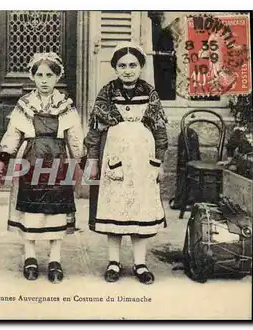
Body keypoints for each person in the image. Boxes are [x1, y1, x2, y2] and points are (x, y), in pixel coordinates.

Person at [84, 42, 168, 285]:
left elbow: (160, 131)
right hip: (114, 160)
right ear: (115, 68)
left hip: (143, 161)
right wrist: (93, 160)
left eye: (133, 65)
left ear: (141, 67)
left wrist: (159, 162)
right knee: (114, 211)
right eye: (122, 65)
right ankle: (113, 261)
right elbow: (95, 131)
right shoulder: (107, 93)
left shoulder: (150, 93)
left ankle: (140, 264)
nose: (128, 70)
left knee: (140, 211)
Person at [0, 52, 85, 283]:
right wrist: (4, 157)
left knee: (56, 210)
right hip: (30, 160)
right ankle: (30, 257)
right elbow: (13, 133)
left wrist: (82, 160)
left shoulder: (65, 105)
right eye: (39, 75)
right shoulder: (25, 104)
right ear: (33, 77)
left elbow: (75, 138)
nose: (44, 80)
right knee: (30, 211)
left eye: (49, 75)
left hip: (58, 161)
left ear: (57, 77)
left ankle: (55, 258)